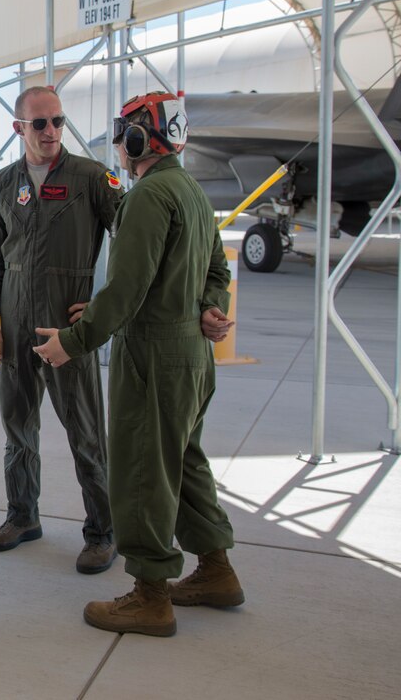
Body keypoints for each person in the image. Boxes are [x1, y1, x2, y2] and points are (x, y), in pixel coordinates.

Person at [35, 91, 244, 637]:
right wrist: (209, 308)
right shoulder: (191, 191)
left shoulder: (151, 196)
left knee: (144, 469)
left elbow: (126, 289)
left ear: (139, 139)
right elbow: (216, 270)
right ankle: (216, 570)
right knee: (184, 461)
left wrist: (73, 341)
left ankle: (152, 595)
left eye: (125, 132)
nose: (121, 144)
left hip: (153, 354)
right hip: (191, 357)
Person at [0, 85, 121, 574]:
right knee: (17, 425)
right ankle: (23, 516)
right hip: (16, 324)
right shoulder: (1, 185)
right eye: (40, 123)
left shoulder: (91, 177)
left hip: (67, 324)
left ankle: (102, 531)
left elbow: (135, 237)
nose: (51, 132)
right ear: (19, 128)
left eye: (58, 121)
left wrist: (104, 302)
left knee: (84, 430)